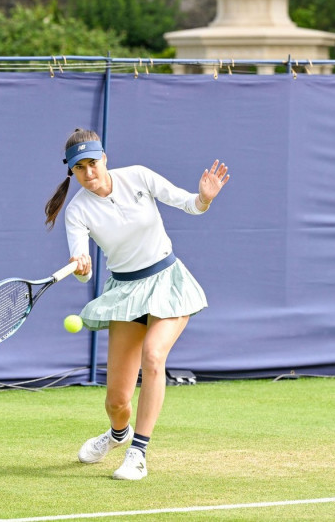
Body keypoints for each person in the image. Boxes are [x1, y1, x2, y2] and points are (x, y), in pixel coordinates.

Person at [44, 128, 229, 480]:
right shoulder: (77, 211)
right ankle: (118, 434)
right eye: (80, 168)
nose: (89, 173)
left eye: (93, 163)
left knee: (154, 356)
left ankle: (138, 453)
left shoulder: (139, 176)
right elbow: (82, 265)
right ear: (72, 171)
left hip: (167, 282)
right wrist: (81, 265)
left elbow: (189, 203)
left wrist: (204, 198)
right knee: (116, 402)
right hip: (125, 293)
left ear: (105, 158)